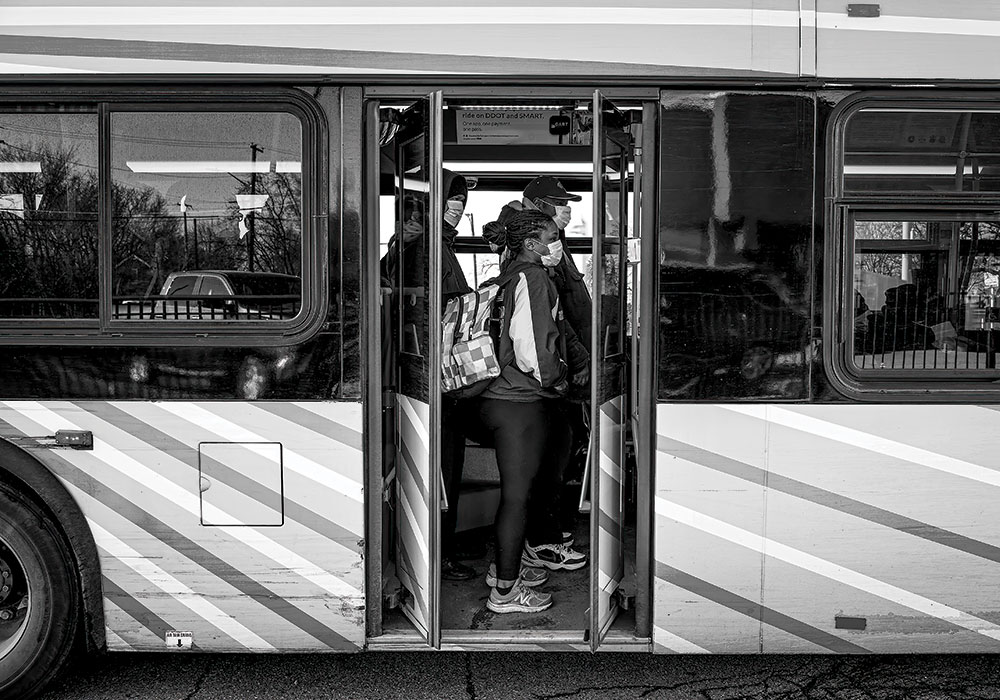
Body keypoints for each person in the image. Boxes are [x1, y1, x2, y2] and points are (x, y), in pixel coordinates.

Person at [477, 209, 588, 614]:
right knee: (518, 498)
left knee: (517, 494)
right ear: (530, 244)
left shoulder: (507, 275)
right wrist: (556, 380)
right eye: (552, 236)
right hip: (519, 402)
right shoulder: (533, 278)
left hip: (496, 396)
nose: (557, 242)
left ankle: (502, 570)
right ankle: (505, 591)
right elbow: (534, 350)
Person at [381, 169, 478, 582]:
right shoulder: (430, 248)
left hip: (418, 371)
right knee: (444, 466)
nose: (457, 210)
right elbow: (452, 308)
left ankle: (433, 549)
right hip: (437, 375)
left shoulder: (411, 248)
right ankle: (440, 554)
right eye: (452, 202)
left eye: (461, 204)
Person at [484, 176, 592, 537]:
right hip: (532, 387)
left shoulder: (543, 252)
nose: (567, 209)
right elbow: (537, 335)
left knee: (553, 455)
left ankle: (543, 536)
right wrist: (560, 375)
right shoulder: (529, 269)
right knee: (540, 470)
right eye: (558, 202)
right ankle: (538, 543)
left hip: (542, 377)